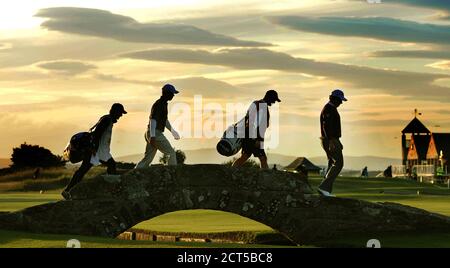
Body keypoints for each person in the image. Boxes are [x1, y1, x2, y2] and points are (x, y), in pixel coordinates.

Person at [62, 103, 127, 199]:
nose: (121, 115)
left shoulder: (107, 119)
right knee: (107, 166)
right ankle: (112, 191)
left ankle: (68, 190)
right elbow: (97, 134)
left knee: (85, 169)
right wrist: (92, 148)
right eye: (120, 113)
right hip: (96, 151)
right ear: (115, 111)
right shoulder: (106, 120)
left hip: (100, 151)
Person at [232, 90, 281, 169]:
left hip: (249, 135)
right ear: (270, 98)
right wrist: (256, 139)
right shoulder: (262, 107)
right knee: (263, 158)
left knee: (245, 156)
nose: (274, 102)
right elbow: (253, 123)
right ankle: (265, 178)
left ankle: (232, 172)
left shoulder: (256, 103)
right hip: (255, 137)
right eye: (274, 100)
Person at [135, 84, 181, 168]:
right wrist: (153, 136)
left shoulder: (162, 103)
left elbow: (164, 120)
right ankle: (173, 174)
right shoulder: (160, 104)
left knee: (147, 158)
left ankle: (135, 172)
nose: (173, 95)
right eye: (172, 93)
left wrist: (173, 131)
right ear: (166, 93)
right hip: (155, 133)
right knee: (171, 153)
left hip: (150, 132)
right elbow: (153, 120)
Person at [317, 89, 347, 197]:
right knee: (338, 163)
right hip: (329, 139)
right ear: (334, 99)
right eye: (339, 100)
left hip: (332, 139)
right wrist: (331, 141)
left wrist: (338, 141)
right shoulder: (329, 109)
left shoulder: (331, 108)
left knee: (331, 163)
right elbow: (326, 126)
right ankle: (324, 187)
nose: (341, 103)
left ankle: (326, 191)